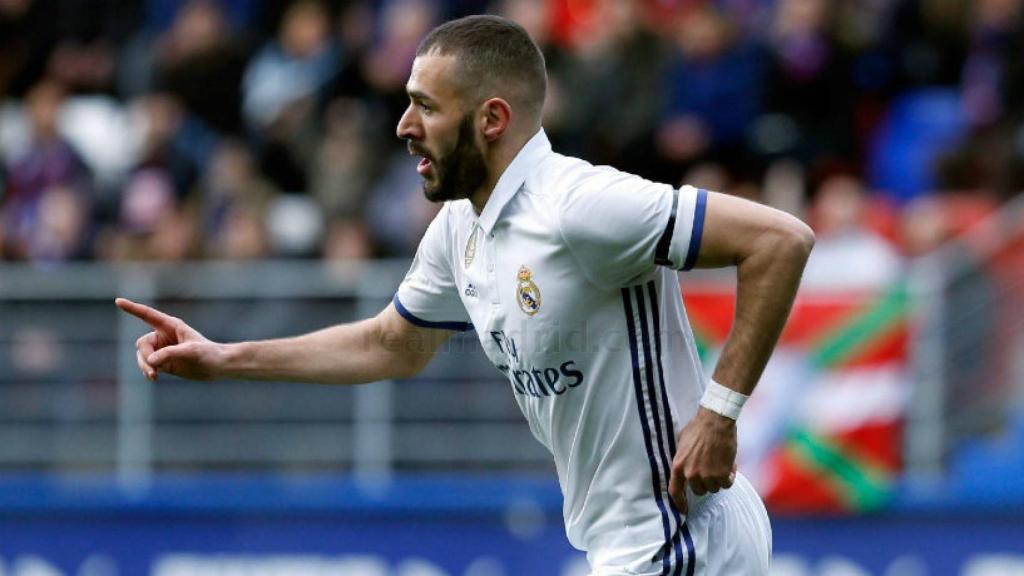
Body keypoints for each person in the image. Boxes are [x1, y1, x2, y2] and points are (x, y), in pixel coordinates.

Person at [117, 15, 814, 576]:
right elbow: (390, 342)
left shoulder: (578, 204)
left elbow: (779, 240)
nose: (403, 126)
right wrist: (222, 356)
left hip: (674, 537)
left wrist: (719, 414)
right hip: (634, 535)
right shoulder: (462, 226)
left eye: (425, 106)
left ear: (492, 119)